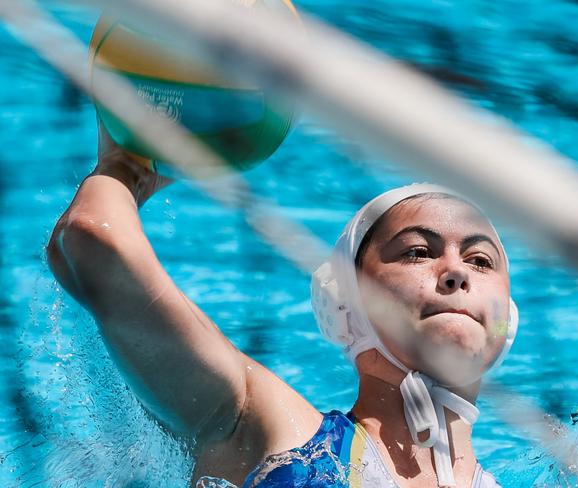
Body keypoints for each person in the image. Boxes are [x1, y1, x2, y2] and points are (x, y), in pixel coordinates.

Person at [47, 126, 517, 488]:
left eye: (481, 261)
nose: (456, 272)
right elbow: (91, 241)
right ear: (343, 300)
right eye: (417, 251)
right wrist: (127, 164)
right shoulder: (274, 430)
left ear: (508, 324)